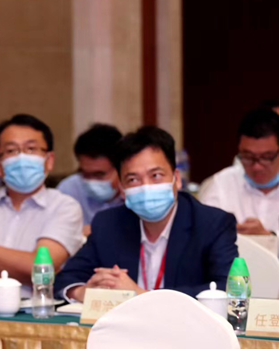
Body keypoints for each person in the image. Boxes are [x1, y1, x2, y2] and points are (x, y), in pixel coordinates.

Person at [55, 126, 238, 302]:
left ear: (177, 179)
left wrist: (142, 295)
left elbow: (227, 288)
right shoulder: (108, 223)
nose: (146, 187)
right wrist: (84, 292)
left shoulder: (212, 223)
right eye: (133, 179)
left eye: (156, 175)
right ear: (122, 188)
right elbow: (66, 279)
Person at [0, 114, 83, 296]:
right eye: (11, 150)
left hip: (27, 307)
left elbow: (40, 268)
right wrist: (24, 275)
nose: (21, 157)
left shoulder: (65, 207)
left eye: (31, 148)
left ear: (49, 160)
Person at [200, 108, 279, 236]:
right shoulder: (221, 184)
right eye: (248, 157)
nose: (257, 167)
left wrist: (269, 237)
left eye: (266, 157)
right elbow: (202, 235)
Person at [58, 123, 124, 235]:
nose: (91, 181)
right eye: (85, 174)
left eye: (99, 175)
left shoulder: (135, 194)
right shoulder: (69, 190)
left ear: (121, 168)